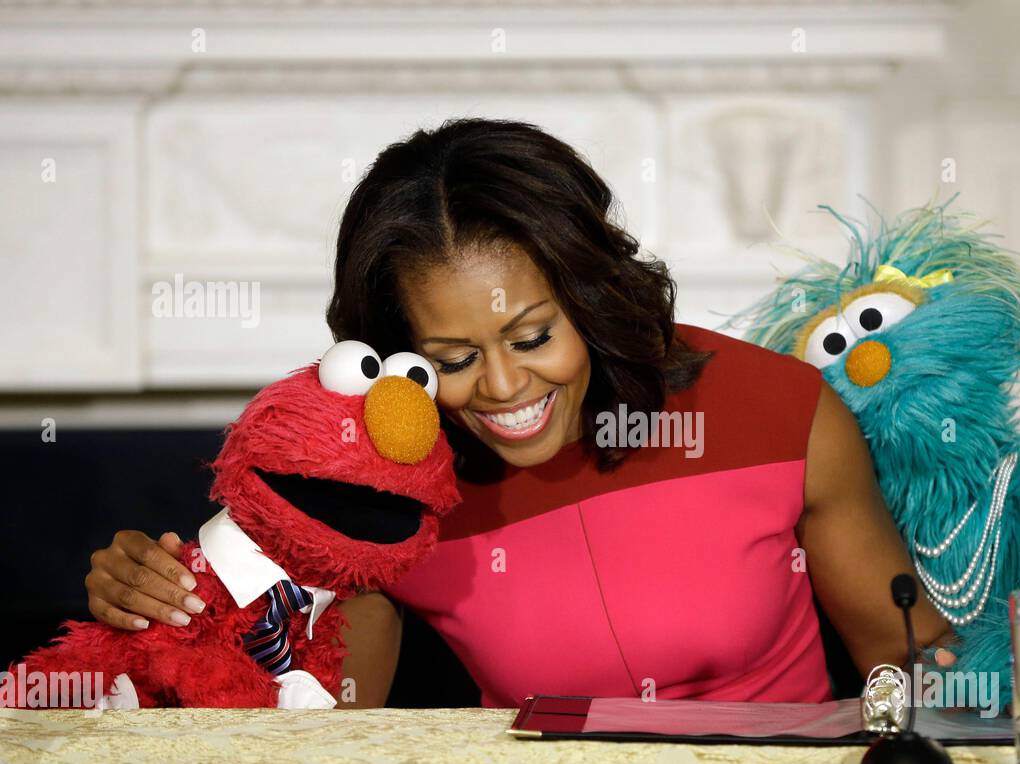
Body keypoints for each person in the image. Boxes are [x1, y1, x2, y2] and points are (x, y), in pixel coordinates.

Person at [82, 117, 957, 708]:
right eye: (453, 360)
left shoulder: (778, 411)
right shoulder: (386, 487)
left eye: (532, 336)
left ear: (592, 298)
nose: (502, 389)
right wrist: (150, 592)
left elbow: (913, 662)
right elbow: (316, 721)